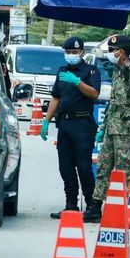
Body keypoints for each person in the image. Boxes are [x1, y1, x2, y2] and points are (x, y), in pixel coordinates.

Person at [87, 35, 130, 220]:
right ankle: (95, 208)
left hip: (126, 128)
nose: (110, 54)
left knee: (123, 170)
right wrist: (103, 127)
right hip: (112, 127)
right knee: (103, 167)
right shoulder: (118, 72)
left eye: (112, 51)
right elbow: (113, 103)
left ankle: (119, 210)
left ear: (121, 52)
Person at [41, 36, 101, 222]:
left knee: (83, 167)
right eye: (68, 52)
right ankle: (71, 205)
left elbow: (94, 94)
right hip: (65, 124)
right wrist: (46, 121)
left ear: (82, 52)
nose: (71, 55)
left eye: (74, 52)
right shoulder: (62, 71)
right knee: (65, 167)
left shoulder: (91, 71)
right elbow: (56, 98)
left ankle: (92, 207)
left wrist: (77, 82)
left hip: (83, 124)